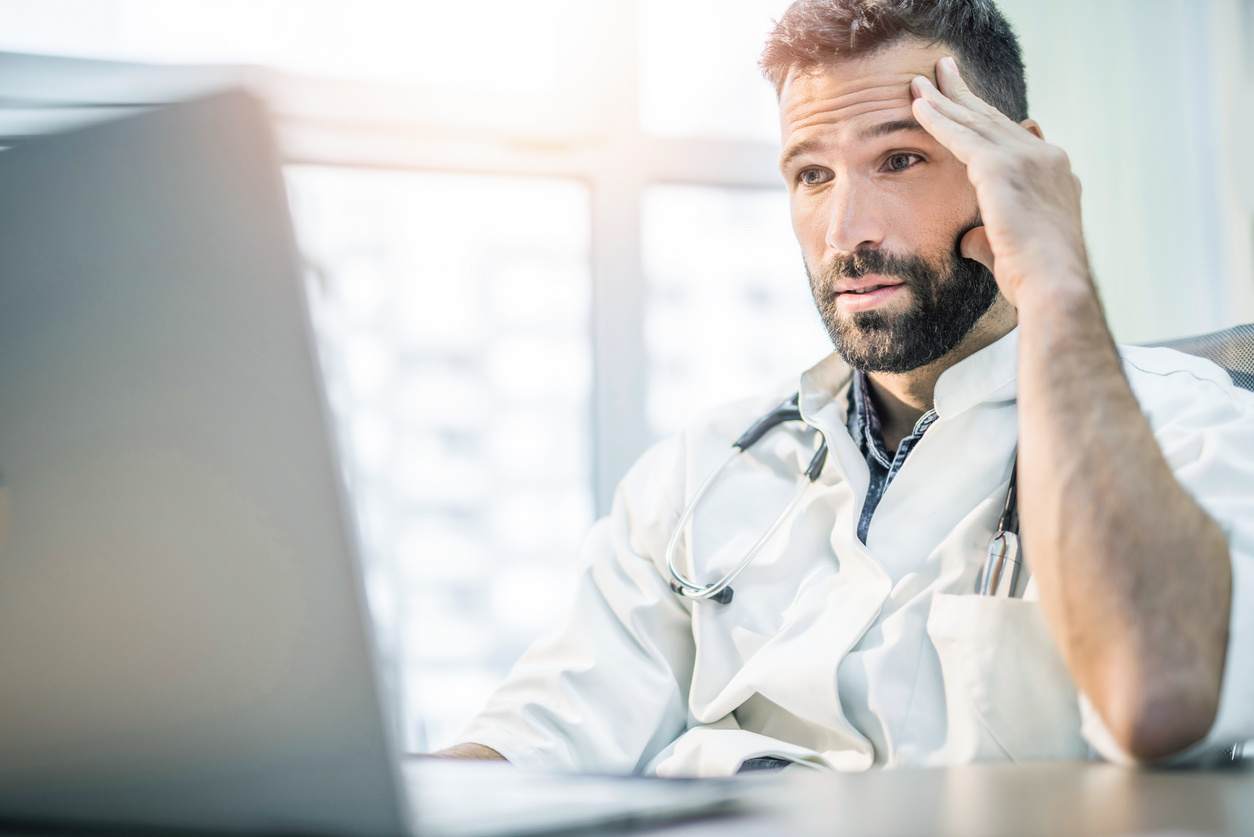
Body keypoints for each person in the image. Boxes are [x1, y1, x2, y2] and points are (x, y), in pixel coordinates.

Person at [435, 0, 1253, 775]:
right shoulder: (705, 467)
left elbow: (1163, 694)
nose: (844, 231)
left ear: (1019, 166)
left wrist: (1058, 280)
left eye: (900, 159)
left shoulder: (1186, 422)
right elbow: (534, 739)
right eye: (813, 174)